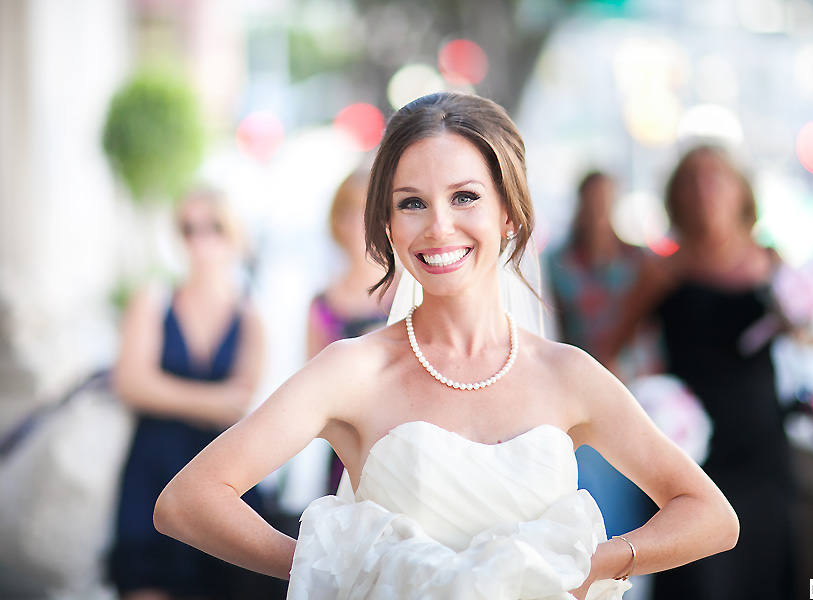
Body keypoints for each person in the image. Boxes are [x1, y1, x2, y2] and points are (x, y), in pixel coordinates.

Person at [153, 93, 739, 600]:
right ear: (386, 223)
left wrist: (597, 565)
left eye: (465, 197)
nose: (438, 227)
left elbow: (711, 516)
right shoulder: (353, 370)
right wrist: (332, 571)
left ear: (509, 212)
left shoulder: (568, 375)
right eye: (412, 203)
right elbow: (187, 501)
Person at [606, 145, 796, 600]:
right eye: (691, 180)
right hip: (690, 452)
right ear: (677, 196)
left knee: (765, 567)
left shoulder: (770, 262)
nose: (704, 189)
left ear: (740, 190)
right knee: (700, 580)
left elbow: (807, 335)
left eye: (715, 177)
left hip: (762, 444)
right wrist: (642, 405)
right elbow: (610, 352)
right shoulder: (663, 270)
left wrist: (803, 324)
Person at [109, 187, 268, 600]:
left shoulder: (252, 314)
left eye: (212, 227)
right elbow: (130, 383)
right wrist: (211, 401)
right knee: (143, 583)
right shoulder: (154, 299)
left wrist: (164, 392)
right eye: (188, 228)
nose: (199, 240)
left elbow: (241, 401)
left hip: (218, 475)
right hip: (151, 467)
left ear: (233, 233)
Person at [546, 171, 660, 598]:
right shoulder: (560, 262)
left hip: (635, 394)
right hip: (583, 394)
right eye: (591, 200)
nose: (598, 210)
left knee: (636, 496)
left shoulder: (639, 260)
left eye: (606, 201)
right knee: (594, 497)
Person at [308, 169, 394, 493]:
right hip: (346, 454)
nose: (358, 224)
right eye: (349, 212)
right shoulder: (323, 304)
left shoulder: (409, 293)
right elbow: (315, 397)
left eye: (367, 211)